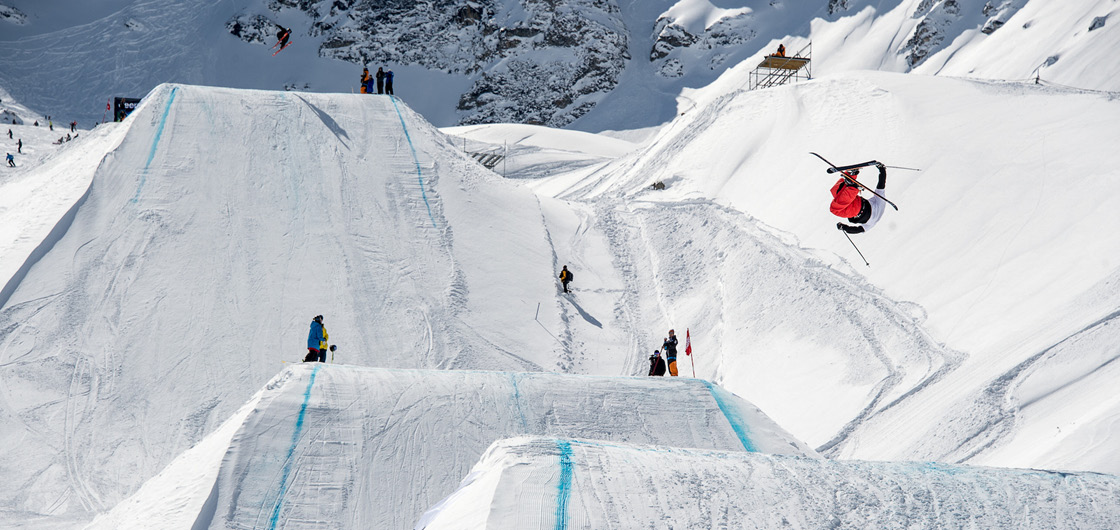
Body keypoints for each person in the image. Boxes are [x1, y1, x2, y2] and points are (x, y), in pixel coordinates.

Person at [832, 162, 888, 234]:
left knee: (837, 193)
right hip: (857, 211)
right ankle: (853, 187)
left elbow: (881, 185)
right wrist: (844, 227)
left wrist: (882, 170)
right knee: (834, 209)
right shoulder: (871, 224)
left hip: (858, 202)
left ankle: (852, 174)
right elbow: (858, 230)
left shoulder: (881, 204)